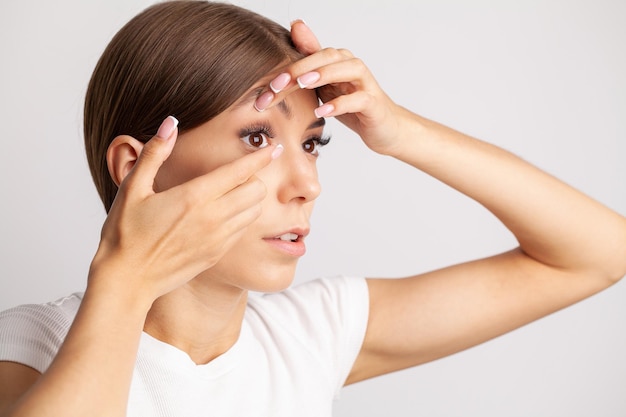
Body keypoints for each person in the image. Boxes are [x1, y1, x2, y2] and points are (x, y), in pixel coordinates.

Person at [0, 1, 625, 416]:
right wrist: (126, 277)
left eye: (313, 144)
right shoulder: (26, 350)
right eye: (256, 138)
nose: (308, 185)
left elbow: (597, 254)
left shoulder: (308, 338)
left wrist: (400, 130)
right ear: (138, 167)